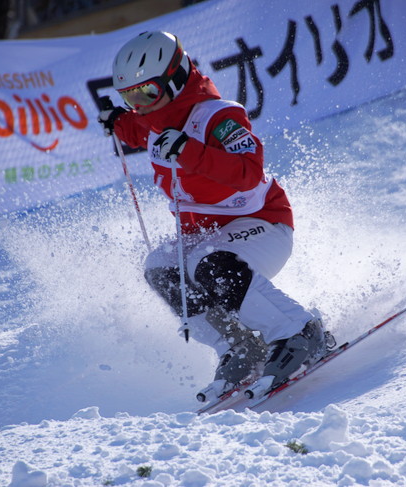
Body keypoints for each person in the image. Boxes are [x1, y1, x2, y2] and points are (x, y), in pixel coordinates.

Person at [97, 31, 333, 400]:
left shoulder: (218, 117)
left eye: (146, 94)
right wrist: (117, 119)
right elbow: (137, 126)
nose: (139, 105)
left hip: (264, 225)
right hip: (214, 236)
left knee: (207, 262)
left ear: (174, 80)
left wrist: (189, 152)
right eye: (130, 96)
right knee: (160, 265)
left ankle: (299, 331)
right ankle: (238, 347)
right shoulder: (154, 116)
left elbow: (248, 172)